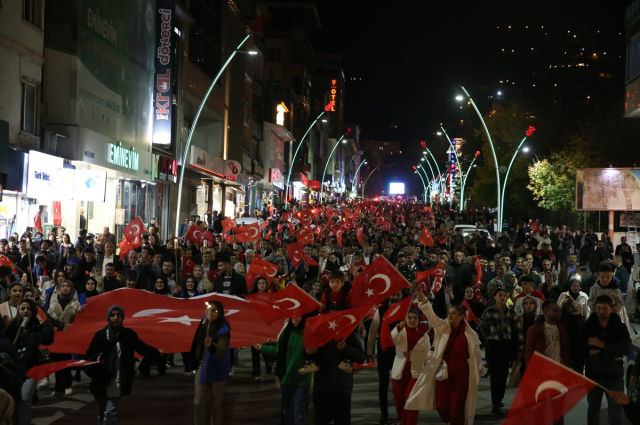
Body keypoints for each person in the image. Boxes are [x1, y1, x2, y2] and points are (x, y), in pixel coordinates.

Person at [406, 292, 483, 425]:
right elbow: (432, 317)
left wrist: (479, 367)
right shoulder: (443, 328)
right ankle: (449, 421)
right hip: (444, 370)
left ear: (461, 316)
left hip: (461, 372)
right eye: (449, 313)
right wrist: (424, 302)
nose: (450, 315)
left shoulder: (471, 334)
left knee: (457, 405)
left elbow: (476, 353)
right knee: (441, 404)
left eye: (453, 313)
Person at [86, 305, 163, 424]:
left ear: (122, 317)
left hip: (119, 379)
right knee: (101, 414)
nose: (115, 318)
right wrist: (99, 357)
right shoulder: (100, 335)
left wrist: (157, 352)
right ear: (108, 317)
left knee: (110, 413)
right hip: (101, 380)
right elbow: (90, 354)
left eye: (118, 315)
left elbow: (142, 347)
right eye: (112, 315)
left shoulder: (129, 334)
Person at [578, 294, 632, 425]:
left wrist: (602, 345)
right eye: (599, 308)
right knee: (593, 413)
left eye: (605, 308)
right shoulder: (588, 326)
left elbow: (626, 348)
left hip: (615, 376)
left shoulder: (619, 327)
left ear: (612, 308)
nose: (601, 312)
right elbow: (579, 348)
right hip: (593, 375)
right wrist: (588, 352)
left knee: (615, 414)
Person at [3, 298, 55, 425]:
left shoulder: (37, 327)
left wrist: (45, 323)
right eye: (23, 309)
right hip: (15, 370)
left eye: (29, 309)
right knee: (15, 400)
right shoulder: (13, 327)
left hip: (32, 369)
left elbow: (47, 340)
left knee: (25, 399)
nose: (25, 311)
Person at [254, 315, 311, 425]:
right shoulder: (286, 331)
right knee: (287, 410)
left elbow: (314, 353)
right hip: (286, 376)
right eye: (293, 316)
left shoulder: (308, 333)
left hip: (303, 377)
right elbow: (278, 350)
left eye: (298, 317)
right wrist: (262, 348)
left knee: (298, 410)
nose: (295, 319)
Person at [524, 300, 572, 424]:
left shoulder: (562, 329)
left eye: (559, 310)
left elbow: (566, 352)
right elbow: (529, 352)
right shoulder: (535, 329)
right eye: (555, 310)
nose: (558, 313)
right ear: (545, 312)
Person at [307, 327, 365, 425]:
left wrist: (345, 348)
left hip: (342, 390)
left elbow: (360, 357)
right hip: (321, 389)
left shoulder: (348, 333)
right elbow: (310, 357)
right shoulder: (319, 332)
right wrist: (307, 353)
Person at [480, 288, 524, 414]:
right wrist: (481, 325)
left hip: (506, 345)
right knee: (494, 374)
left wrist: (519, 348)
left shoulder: (511, 313)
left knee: (504, 373)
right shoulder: (488, 312)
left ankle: (500, 398)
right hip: (493, 345)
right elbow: (483, 331)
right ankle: (495, 402)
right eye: (500, 295)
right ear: (494, 297)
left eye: (505, 295)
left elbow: (517, 331)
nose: (502, 297)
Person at [190, 300, 231, 425]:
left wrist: (212, 346)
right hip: (203, 366)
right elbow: (195, 343)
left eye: (214, 311)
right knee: (198, 402)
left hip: (218, 368)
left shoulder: (223, 328)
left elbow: (222, 349)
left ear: (220, 313)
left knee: (216, 405)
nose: (211, 313)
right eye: (209, 310)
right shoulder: (203, 323)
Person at [367, 291, 403, 425]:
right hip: (383, 353)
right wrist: (369, 350)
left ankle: (401, 414)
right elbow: (373, 330)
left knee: (399, 386)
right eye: (393, 295)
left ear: (401, 296)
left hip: (400, 354)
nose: (395, 297)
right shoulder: (381, 310)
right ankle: (384, 414)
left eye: (398, 295)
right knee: (383, 384)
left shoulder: (405, 310)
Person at [390, 308, 430, 425]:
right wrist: (397, 328)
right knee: (399, 403)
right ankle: (402, 419)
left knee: (412, 403)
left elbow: (426, 356)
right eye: (409, 318)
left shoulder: (424, 337)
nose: (412, 320)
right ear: (405, 319)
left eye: (415, 318)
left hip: (415, 374)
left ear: (418, 320)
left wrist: (412, 355)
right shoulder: (400, 332)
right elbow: (391, 339)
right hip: (398, 373)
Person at [48, 280, 83, 396]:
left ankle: (68, 384)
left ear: (72, 289)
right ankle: (58, 387)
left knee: (66, 361)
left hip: (69, 337)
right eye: (63, 286)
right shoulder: (53, 303)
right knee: (57, 361)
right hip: (57, 336)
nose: (65, 288)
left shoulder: (76, 304)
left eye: (68, 286)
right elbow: (49, 319)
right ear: (59, 288)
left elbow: (79, 321)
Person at [557, 279, 589, 373]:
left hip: (579, 324)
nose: (575, 288)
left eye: (577, 286)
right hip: (566, 323)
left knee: (578, 347)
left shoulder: (583, 296)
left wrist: (586, 322)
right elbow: (557, 308)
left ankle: (578, 369)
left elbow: (586, 311)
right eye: (574, 286)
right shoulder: (564, 295)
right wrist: (563, 303)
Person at [248, 277, 274, 379]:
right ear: (256, 285)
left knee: (265, 347)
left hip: (266, 326)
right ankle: (256, 371)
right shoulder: (252, 297)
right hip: (254, 326)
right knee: (255, 349)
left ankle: (269, 363)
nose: (262, 284)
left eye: (264, 283)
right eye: (260, 283)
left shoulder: (270, 297)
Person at [517, 295, 539, 376]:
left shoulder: (539, 318)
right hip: (523, 348)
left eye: (531, 303)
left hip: (535, 349)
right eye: (526, 303)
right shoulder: (519, 318)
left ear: (535, 305)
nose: (528, 305)